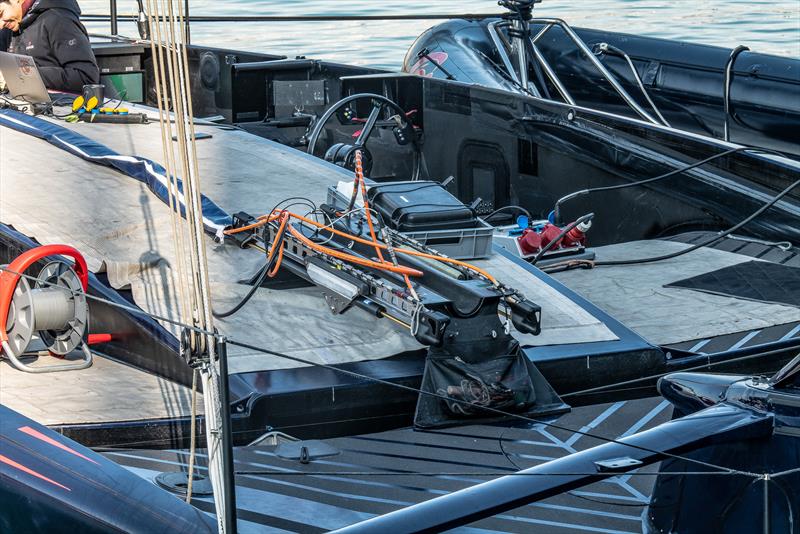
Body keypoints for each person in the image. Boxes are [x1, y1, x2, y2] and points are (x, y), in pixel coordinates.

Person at [0, 0, 99, 93]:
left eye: (1, 13)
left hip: (61, 106)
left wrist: (23, 75)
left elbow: (86, 78)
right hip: (23, 103)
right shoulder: (10, 26)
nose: (1, 25)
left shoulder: (59, 19)